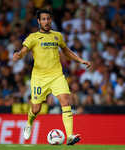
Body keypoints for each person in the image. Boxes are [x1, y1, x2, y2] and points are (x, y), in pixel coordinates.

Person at [12, 9, 90, 145]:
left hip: (56, 76)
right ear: (38, 21)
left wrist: (80, 60)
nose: (46, 21)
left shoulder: (57, 36)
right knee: (36, 109)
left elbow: (65, 50)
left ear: (51, 20)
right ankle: (29, 123)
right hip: (39, 78)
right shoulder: (33, 37)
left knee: (65, 101)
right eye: (43, 19)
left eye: (48, 19)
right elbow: (23, 51)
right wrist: (18, 55)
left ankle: (70, 136)